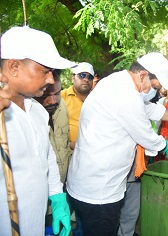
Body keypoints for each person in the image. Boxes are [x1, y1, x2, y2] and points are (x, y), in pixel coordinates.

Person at [66, 52, 168, 235]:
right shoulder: (125, 95)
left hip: (90, 181)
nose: (155, 91)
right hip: (99, 188)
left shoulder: (119, 82)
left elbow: (149, 108)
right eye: (154, 85)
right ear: (142, 76)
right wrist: (167, 147)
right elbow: (146, 135)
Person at [0, 26, 75, 236]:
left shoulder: (38, 111)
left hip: (34, 224)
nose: (51, 80)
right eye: (45, 71)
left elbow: (46, 155)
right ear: (14, 67)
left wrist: (56, 194)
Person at [34, 69, 71, 185]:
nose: (52, 101)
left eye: (57, 93)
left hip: (64, 184)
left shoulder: (62, 106)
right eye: (45, 96)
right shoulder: (27, 115)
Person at [61, 62, 94, 150]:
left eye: (90, 77)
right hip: (67, 151)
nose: (86, 79)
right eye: (82, 75)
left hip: (93, 151)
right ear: (73, 78)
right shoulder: (61, 97)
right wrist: (70, 144)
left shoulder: (96, 100)